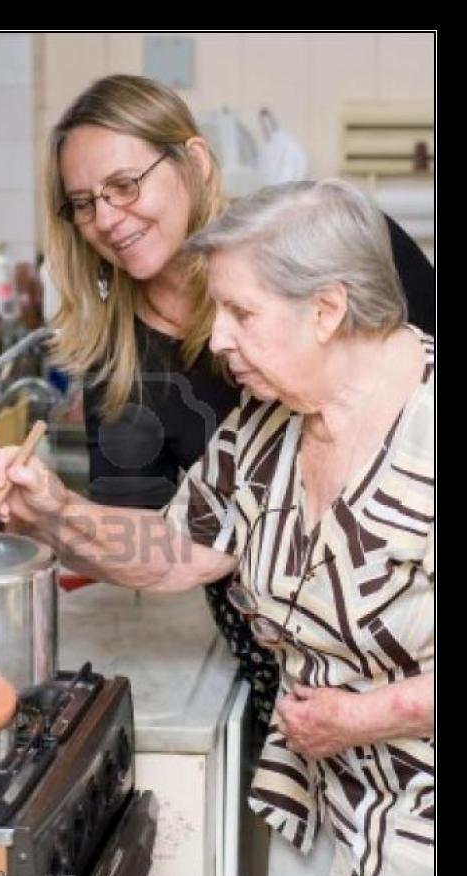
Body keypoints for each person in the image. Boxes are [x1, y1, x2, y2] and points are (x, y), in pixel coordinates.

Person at [0, 178, 434, 876]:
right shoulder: (268, 421)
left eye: (242, 313)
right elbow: (181, 549)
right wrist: (55, 512)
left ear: (327, 309)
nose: (217, 339)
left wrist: (367, 716)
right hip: (325, 789)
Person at [37, 74, 434, 748]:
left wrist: (381, 710)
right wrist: (49, 516)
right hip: (291, 671)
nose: (105, 218)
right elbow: (164, 541)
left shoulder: (334, 251)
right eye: (84, 202)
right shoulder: (244, 429)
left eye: (125, 185)